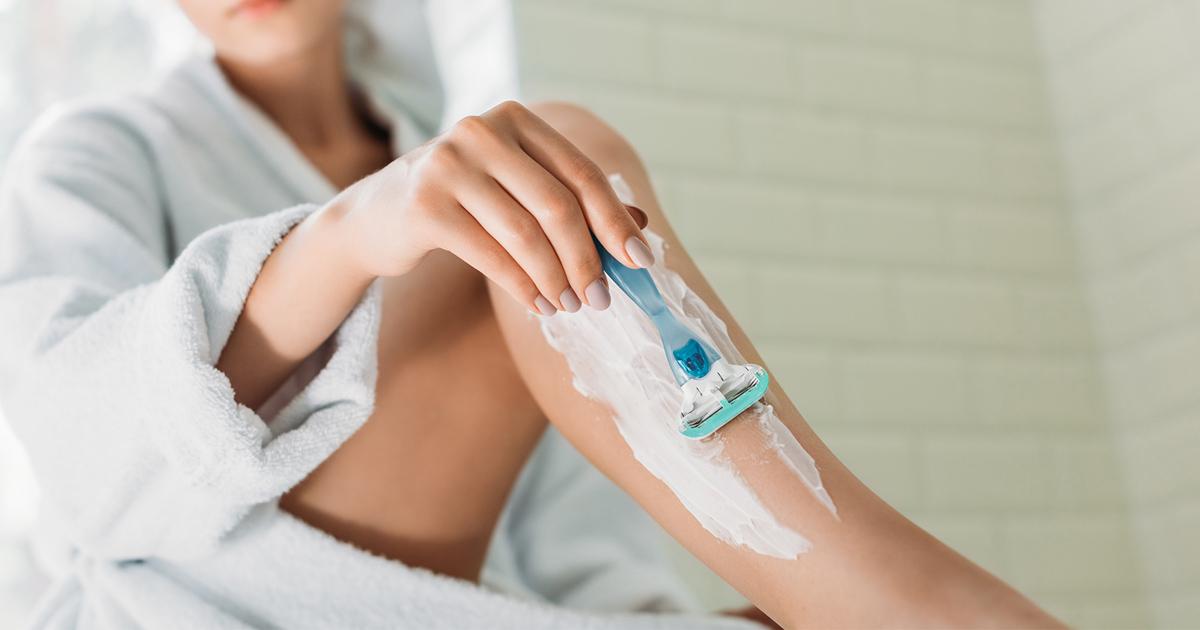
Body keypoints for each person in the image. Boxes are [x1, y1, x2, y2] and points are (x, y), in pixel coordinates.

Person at [0, 1, 1062, 628]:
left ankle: (852, 594)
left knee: (524, 187)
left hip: (443, 602)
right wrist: (346, 238)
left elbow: (573, 522)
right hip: (197, 605)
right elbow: (88, 467)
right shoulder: (92, 152)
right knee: (536, 158)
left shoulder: (442, 149)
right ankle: (895, 600)